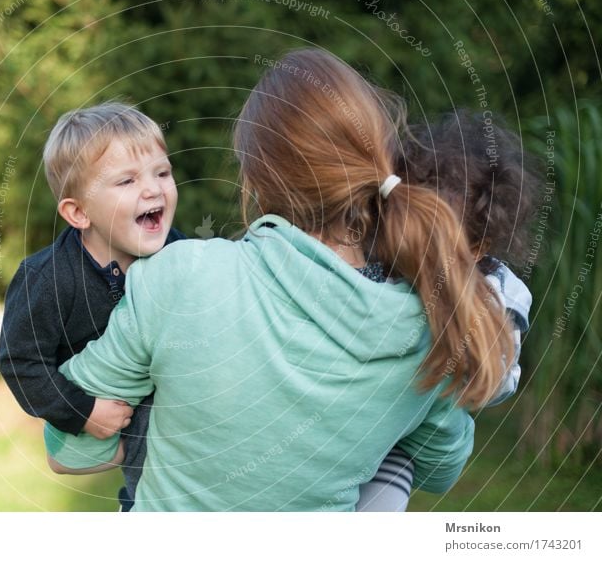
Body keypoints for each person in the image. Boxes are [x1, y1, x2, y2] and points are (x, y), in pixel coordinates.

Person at [48, 48, 514, 511]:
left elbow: (67, 447)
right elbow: (439, 468)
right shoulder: (430, 326)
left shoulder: (180, 275)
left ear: (255, 181)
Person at [0, 101, 183, 511]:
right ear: (79, 212)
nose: (153, 189)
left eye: (162, 172)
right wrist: (82, 412)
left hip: (166, 389)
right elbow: (20, 361)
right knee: (151, 463)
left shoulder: (179, 254)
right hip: (101, 401)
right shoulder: (48, 279)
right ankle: (139, 509)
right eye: (127, 181)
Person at [356, 111, 538, 511]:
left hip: (403, 437)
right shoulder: (377, 266)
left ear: (480, 247)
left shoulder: (497, 291)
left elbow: (499, 378)